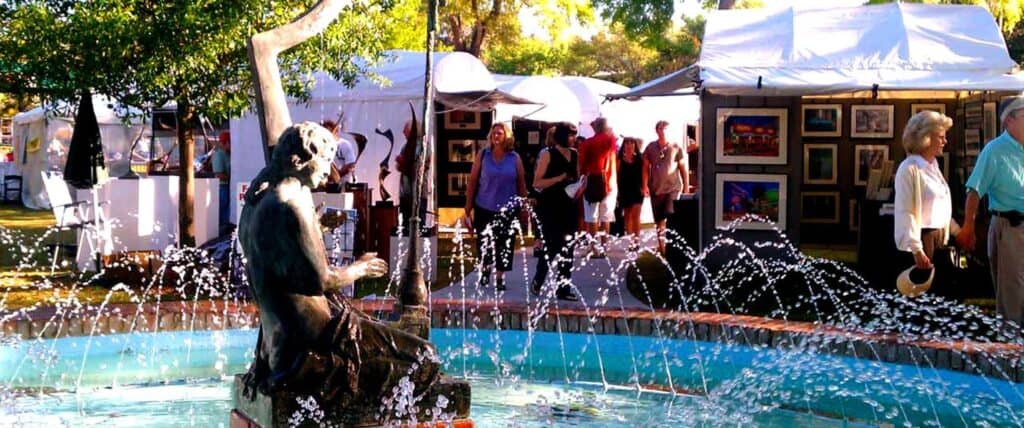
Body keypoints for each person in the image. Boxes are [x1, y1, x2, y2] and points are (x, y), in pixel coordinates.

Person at [238, 122, 438, 405]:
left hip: (277, 344)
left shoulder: (257, 203)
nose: (329, 169)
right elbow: (322, 281)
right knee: (425, 357)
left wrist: (316, 229)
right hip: (317, 338)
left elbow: (280, 263)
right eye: (326, 160)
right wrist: (362, 268)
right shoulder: (293, 206)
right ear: (306, 157)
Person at [957, 97, 1024, 324]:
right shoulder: (995, 150)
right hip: (1010, 227)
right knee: (1012, 293)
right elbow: (974, 190)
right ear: (1009, 121)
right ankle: (1009, 348)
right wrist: (968, 225)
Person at [893, 111, 960, 295]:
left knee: (941, 294)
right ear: (925, 138)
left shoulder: (933, 166)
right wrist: (916, 249)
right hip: (922, 240)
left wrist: (956, 231)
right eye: (941, 137)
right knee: (921, 297)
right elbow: (905, 211)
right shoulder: (909, 169)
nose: (945, 141)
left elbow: (939, 208)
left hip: (939, 238)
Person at [464, 122, 527, 291]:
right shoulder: (483, 155)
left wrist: (523, 208)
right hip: (484, 205)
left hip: (508, 208)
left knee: (504, 243)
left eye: (499, 133)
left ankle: (500, 277)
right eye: (494, 133)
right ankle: (485, 270)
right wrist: (468, 208)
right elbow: (473, 181)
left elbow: (521, 183)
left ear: (506, 136)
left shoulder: (514, 158)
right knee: (484, 241)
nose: (496, 136)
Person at [531, 122, 580, 301]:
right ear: (561, 136)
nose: (574, 139)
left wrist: (579, 186)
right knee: (552, 245)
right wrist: (559, 178)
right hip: (551, 206)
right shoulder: (548, 154)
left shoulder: (575, 154)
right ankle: (539, 278)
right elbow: (537, 183)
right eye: (570, 135)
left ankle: (563, 287)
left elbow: (576, 176)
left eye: (575, 135)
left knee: (568, 247)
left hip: (569, 204)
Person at [642, 120, 689, 254]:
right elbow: (645, 167)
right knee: (659, 221)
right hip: (656, 189)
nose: (663, 131)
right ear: (657, 131)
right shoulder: (650, 147)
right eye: (661, 129)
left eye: (666, 129)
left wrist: (686, 186)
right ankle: (662, 248)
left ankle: (674, 247)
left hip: (672, 188)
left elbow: (683, 168)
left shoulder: (676, 147)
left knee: (670, 215)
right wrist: (645, 185)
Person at [577, 117, 618, 257]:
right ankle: (604, 247)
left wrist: (581, 178)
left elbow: (581, 165)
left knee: (591, 217)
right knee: (605, 217)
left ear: (595, 127)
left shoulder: (588, 143)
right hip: (610, 183)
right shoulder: (611, 142)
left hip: (592, 182)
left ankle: (594, 248)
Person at [395, 120, 428, 235]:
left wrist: (405, 164)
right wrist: (401, 163)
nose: (403, 132)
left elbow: (421, 166)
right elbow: (400, 167)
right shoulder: (406, 146)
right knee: (405, 225)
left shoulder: (422, 146)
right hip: (406, 193)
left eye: (406, 130)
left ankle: (418, 250)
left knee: (418, 224)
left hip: (417, 193)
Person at [617, 137, 645, 251]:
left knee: (636, 216)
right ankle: (630, 242)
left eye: (631, 143)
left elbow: (644, 174)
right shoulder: (619, 160)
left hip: (637, 190)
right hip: (624, 190)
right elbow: (617, 176)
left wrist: (644, 186)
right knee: (627, 216)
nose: (629, 145)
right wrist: (617, 192)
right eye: (627, 143)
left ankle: (636, 241)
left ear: (635, 145)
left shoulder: (639, 159)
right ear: (624, 145)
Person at [322, 120, 358, 188]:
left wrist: (335, 176)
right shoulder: (322, 146)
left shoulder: (344, 144)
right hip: (326, 186)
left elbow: (350, 164)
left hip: (343, 186)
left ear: (336, 131)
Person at [212, 131, 232, 231]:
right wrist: (232, 178)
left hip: (228, 186)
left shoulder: (228, 155)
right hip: (222, 187)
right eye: (230, 142)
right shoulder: (219, 155)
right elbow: (218, 174)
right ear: (226, 142)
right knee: (223, 208)